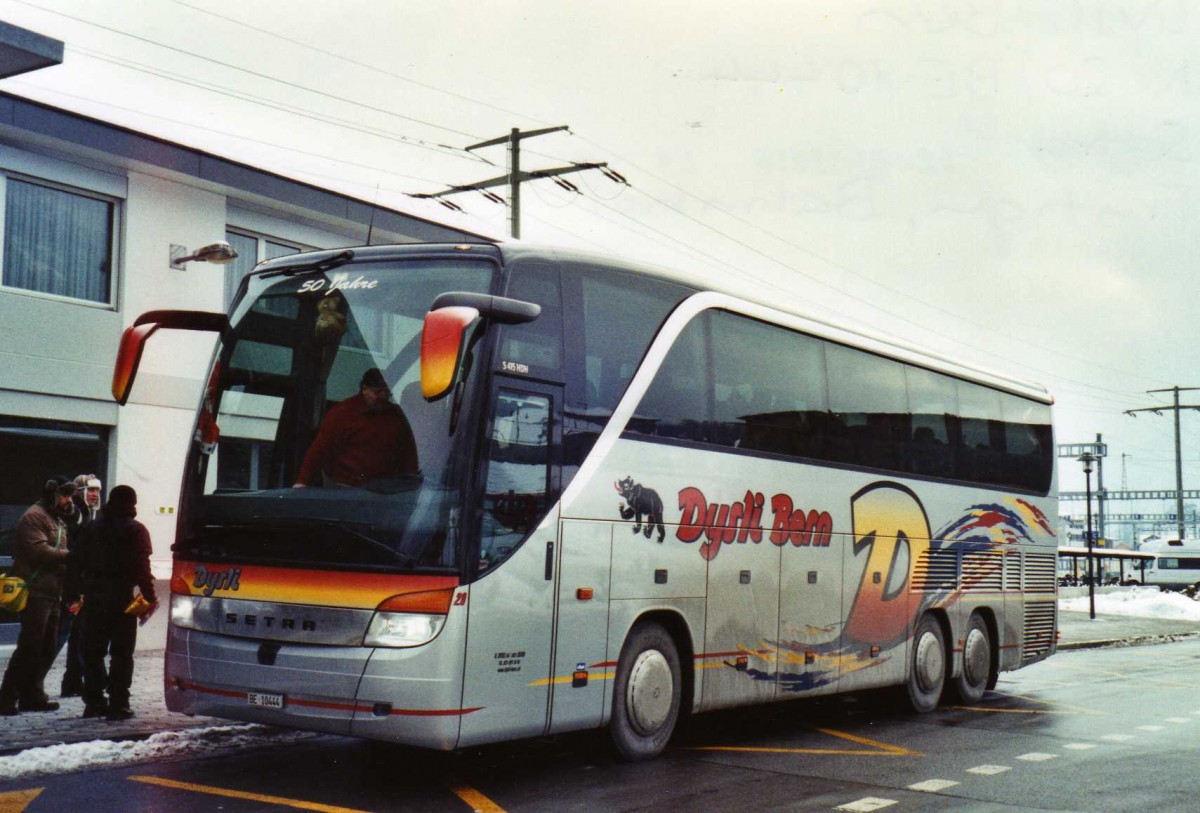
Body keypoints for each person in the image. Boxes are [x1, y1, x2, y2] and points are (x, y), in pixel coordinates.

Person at [76, 485, 157, 720]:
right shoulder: (137, 530)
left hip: (94, 597)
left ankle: (93, 701)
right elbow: (142, 568)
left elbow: (76, 562)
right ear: (132, 503)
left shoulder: (92, 528)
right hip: (122, 599)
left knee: (93, 651)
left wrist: (75, 593)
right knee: (122, 653)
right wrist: (149, 597)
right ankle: (118, 703)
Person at [0, 476, 76, 715]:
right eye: (64, 496)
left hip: (53, 592)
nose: (69, 501)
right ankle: (6, 697)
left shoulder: (56, 518)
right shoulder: (34, 517)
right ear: (52, 495)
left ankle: (32, 696)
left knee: (47, 647)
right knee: (30, 646)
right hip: (36, 592)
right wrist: (72, 556)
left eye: (70, 496)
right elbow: (39, 551)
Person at [294, 367, 418, 487]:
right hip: (343, 486)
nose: (383, 396)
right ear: (364, 389)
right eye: (378, 391)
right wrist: (302, 482)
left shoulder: (396, 416)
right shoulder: (342, 413)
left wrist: (411, 482)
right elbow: (320, 449)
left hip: (381, 489)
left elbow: (408, 452)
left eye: (387, 392)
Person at [58, 474, 103, 697]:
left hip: (80, 583)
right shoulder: (76, 515)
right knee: (60, 635)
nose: (95, 494)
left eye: (97, 491)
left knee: (78, 634)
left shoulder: (89, 514)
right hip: (70, 584)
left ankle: (72, 681)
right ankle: (25, 686)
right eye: (91, 490)